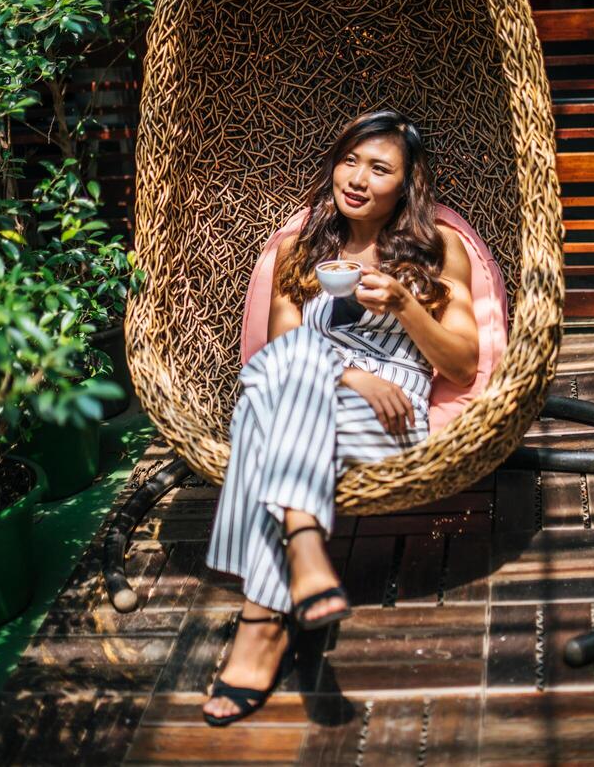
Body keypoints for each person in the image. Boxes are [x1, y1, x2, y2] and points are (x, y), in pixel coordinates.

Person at [202, 108, 479, 726]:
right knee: (287, 373)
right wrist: (346, 372)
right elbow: (282, 354)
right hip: (317, 391)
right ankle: (301, 550)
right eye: (349, 160)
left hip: (391, 412)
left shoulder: (440, 249)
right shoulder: (299, 251)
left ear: (406, 185)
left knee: (255, 418)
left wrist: (406, 304)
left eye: (378, 168)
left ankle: (262, 620)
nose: (356, 177)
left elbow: (461, 366)